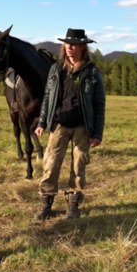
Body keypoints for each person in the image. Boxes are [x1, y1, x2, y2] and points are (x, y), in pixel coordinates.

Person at [34, 28, 106, 221]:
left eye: (73, 45)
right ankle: (46, 204)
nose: (69, 48)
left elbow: (99, 104)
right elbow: (48, 97)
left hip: (83, 127)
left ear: (83, 47)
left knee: (78, 167)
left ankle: (73, 205)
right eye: (67, 44)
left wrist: (97, 132)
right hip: (58, 124)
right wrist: (42, 122)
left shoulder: (92, 72)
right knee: (50, 164)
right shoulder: (56, 69)